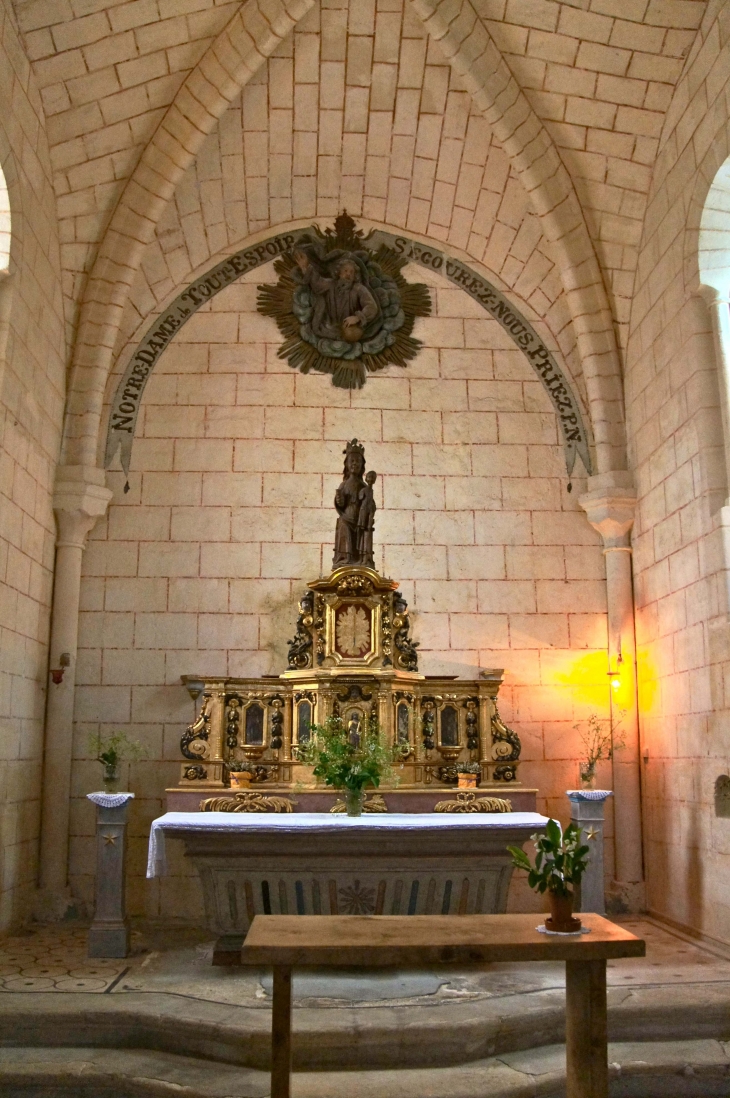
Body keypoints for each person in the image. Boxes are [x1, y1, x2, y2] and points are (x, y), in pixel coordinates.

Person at [294, 250, 379, 341]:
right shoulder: (331, 284)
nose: (348, 274)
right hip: (330, 326)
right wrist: (305, 267)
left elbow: (371, 306)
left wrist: (357, 317)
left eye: (351, 272)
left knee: (352, 335)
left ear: (355, 276)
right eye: (345, 270)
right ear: (339, 272)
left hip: (350, 327)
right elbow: (317, 283)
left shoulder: (359, 289)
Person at [333, 441, 367, 568]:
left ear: (362, 465)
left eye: (358, 461)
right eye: (352, 461)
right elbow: (340, 503)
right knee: (343, 525)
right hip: (346, 517)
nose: (354, 463)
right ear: (347, 464)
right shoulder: (344, 485)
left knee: (361, 534)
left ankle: (359, 558)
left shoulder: (363, 486)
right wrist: (339, 500)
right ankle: (344, 558)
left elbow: (369, 504)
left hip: (359, 519)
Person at [357, 471, 377, 568]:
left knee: (367, 531)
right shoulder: (364, 490)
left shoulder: (371, 491)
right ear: (366, 479)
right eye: (369, 477)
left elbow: (371, 501)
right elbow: (360, 498)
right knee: (362, 532)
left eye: (373, 477)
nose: (371, 479)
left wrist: (373, 506)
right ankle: (361, 557)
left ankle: (366, 558)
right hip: (363, 510)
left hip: (369, 510)